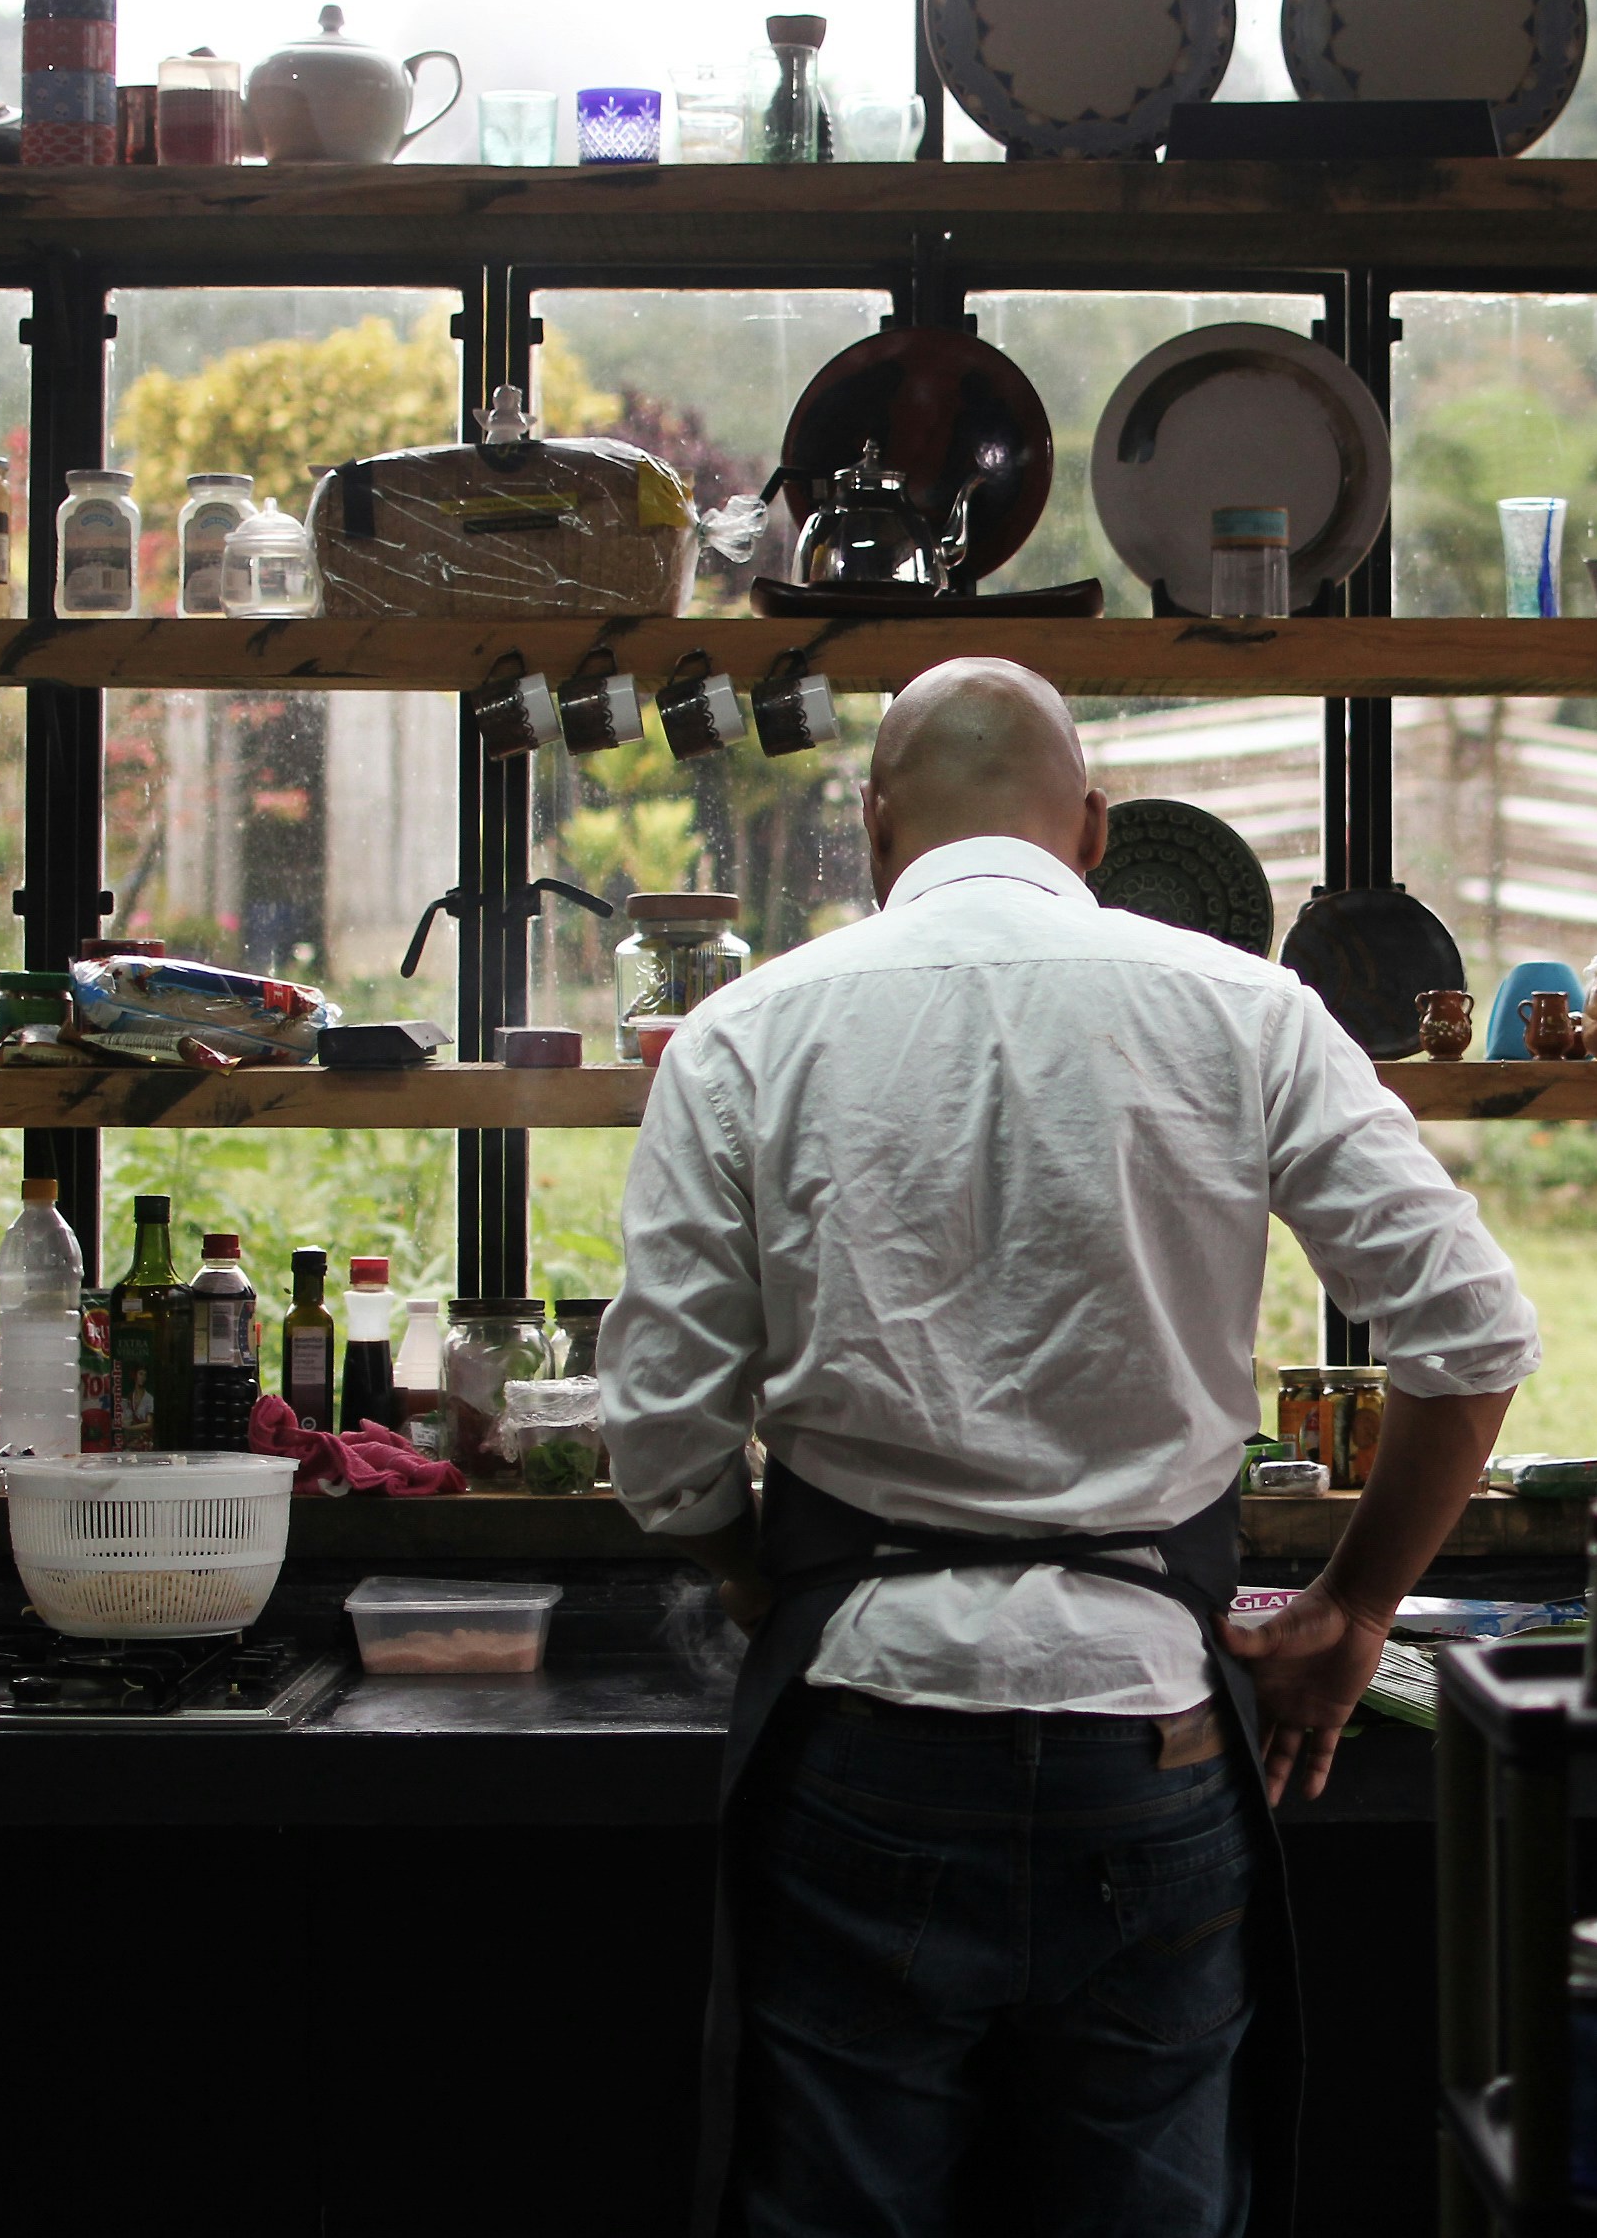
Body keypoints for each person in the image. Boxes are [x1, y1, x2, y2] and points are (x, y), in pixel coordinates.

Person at [603, 656, 1539, 2237]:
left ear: (874, 826)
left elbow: (665, 1448)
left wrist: (758, 1581)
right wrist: (1352, 1612)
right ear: (1095, 831)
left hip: (864, 1733)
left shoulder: (742, 1035)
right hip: (1151, 1736)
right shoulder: (1247, 1010)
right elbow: (1473, 1336)